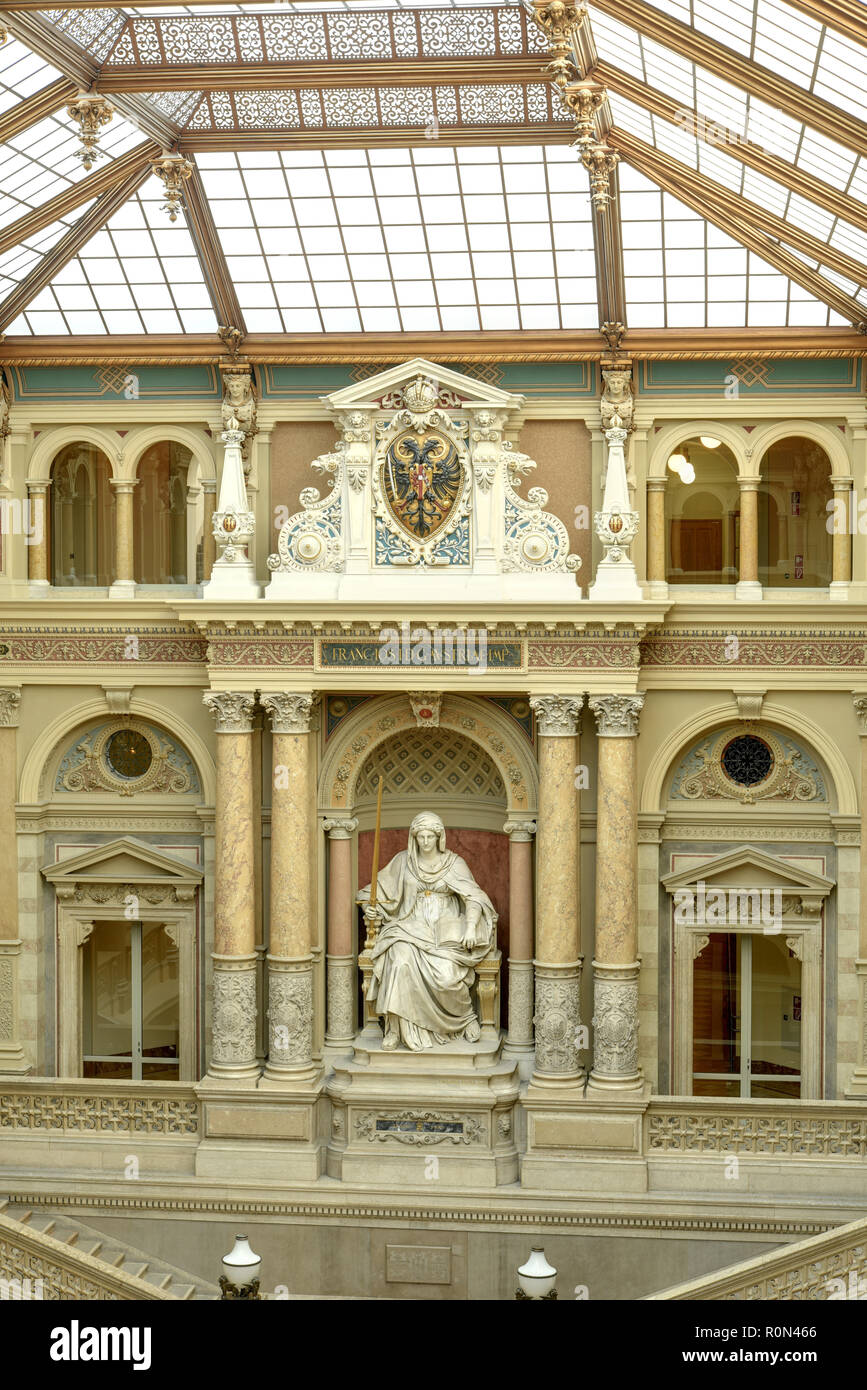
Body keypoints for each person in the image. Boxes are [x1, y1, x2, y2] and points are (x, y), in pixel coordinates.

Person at [357, 811, 496, 1051]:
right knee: (399, 962)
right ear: (414, 838)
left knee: (447, 975)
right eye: (420, 836)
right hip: (409, 926)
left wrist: (471, 926)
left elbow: (475, 898)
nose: (425, 842)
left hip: (445, 931)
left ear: (439, 837)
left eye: (430, 836)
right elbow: (370, 893)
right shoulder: (403, 861)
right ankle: (395, 1029)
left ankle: (463, 1020)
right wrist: (372, 908)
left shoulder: (454, 863)